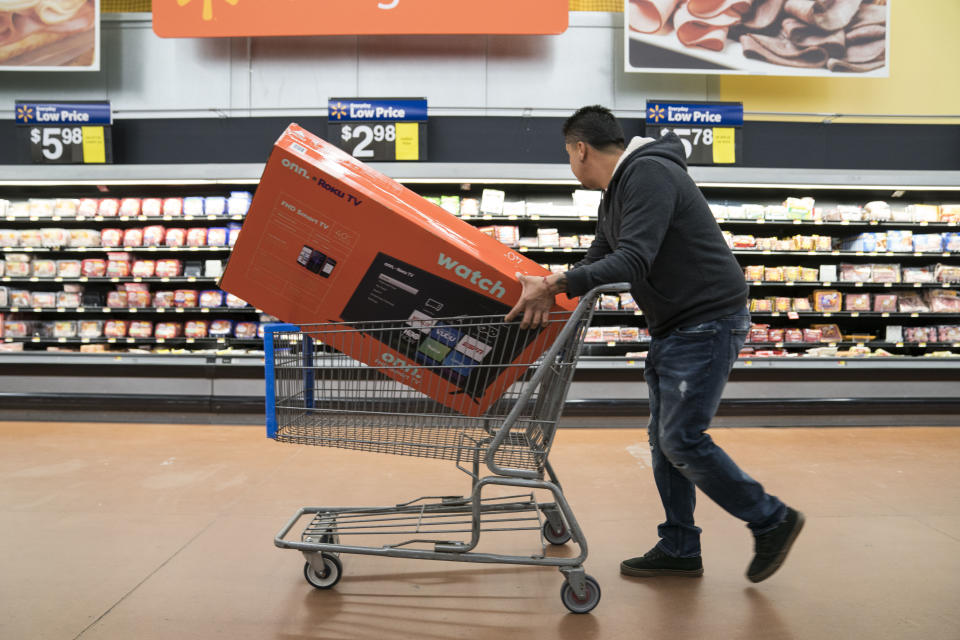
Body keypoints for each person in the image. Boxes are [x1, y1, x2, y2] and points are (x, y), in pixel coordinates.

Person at [505, 105, 804, 583]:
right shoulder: (617, 191)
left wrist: (559, 282)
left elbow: (633, 260)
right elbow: (602, 255)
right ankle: (680, 547)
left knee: (681, 438)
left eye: (567, 153)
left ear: (580, 148)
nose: (570, 161)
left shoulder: (649, 174)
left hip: (707, 320)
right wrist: (550, 285)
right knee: (664, 443)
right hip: (676, 325)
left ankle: (771, 518)